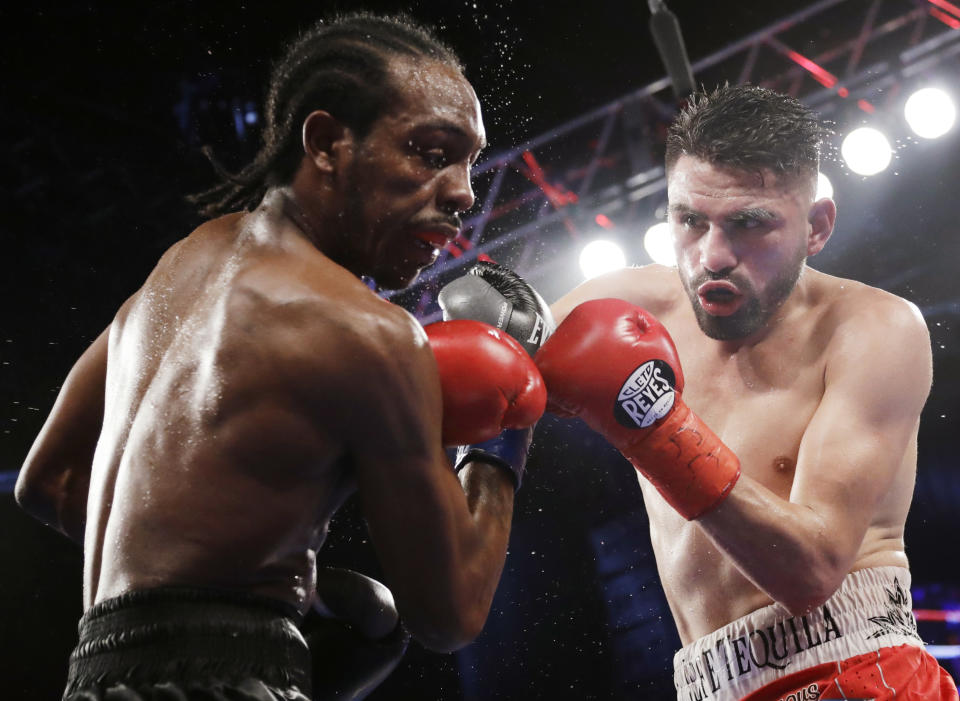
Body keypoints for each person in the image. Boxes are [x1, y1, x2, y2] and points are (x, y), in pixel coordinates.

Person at [14, 12, 549, 701]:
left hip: (92, 677)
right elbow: (450, 612)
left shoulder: (175, 272)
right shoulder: (369, 333)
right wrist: (510, 420)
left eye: (471, 161)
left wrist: (220, 574)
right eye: (430, 151)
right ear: (327, 142)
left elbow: (50, 480)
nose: (464, 191)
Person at [535, 84, 959, 700]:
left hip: (857, 675)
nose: (712, 255)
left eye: (749, 224)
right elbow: (479, 391)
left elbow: (811, 570)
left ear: (816, 227)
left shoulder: (873, 329)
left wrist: (653, 425)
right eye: (690, 220)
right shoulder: (626, 302)